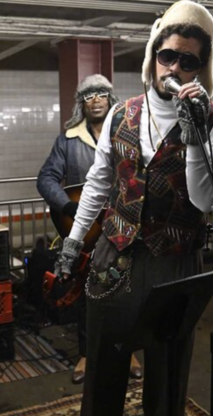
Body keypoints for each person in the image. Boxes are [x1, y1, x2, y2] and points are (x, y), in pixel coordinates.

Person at [54, 2, 213, 416]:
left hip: (175, 263)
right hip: (113, 255)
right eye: (167, 55)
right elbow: (100, 183)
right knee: (104, 365)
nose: (174, 67)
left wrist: (194, 136)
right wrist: (71, 242)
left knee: (168, 371)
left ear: (201, 68)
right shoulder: (122, 112)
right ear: (153, 56)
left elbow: (207, 201)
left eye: (188, 60)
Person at [36, 74, 141, 384]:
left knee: (127, 290)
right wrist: (68, 207)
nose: (95, 99)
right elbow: (46, 179)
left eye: (101, 94)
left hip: (123, 225)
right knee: (86, 292)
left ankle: (129, 350)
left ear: (111, 99)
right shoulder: (67, 140)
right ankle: (86, 354)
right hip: (88, 232)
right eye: (88, 95)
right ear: (81, 102)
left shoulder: (128, 134)